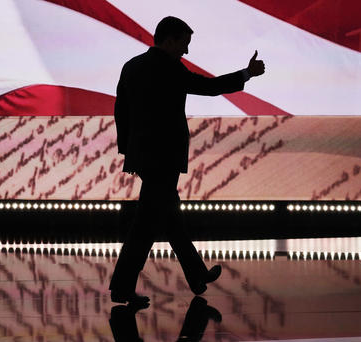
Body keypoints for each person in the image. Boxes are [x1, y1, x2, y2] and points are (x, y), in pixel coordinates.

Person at [109, 16, 265, 305]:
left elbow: (121, 110)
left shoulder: (131, 66)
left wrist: (129, 151)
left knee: (170, 218)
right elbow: (209, 87)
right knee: (146, 226)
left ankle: (196, 275)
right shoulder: (167, 68)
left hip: (144, 158)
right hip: (163, 158)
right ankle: (121, 288)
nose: (187, 52)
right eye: (184, 44)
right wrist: (247, 73)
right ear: (169, 40)